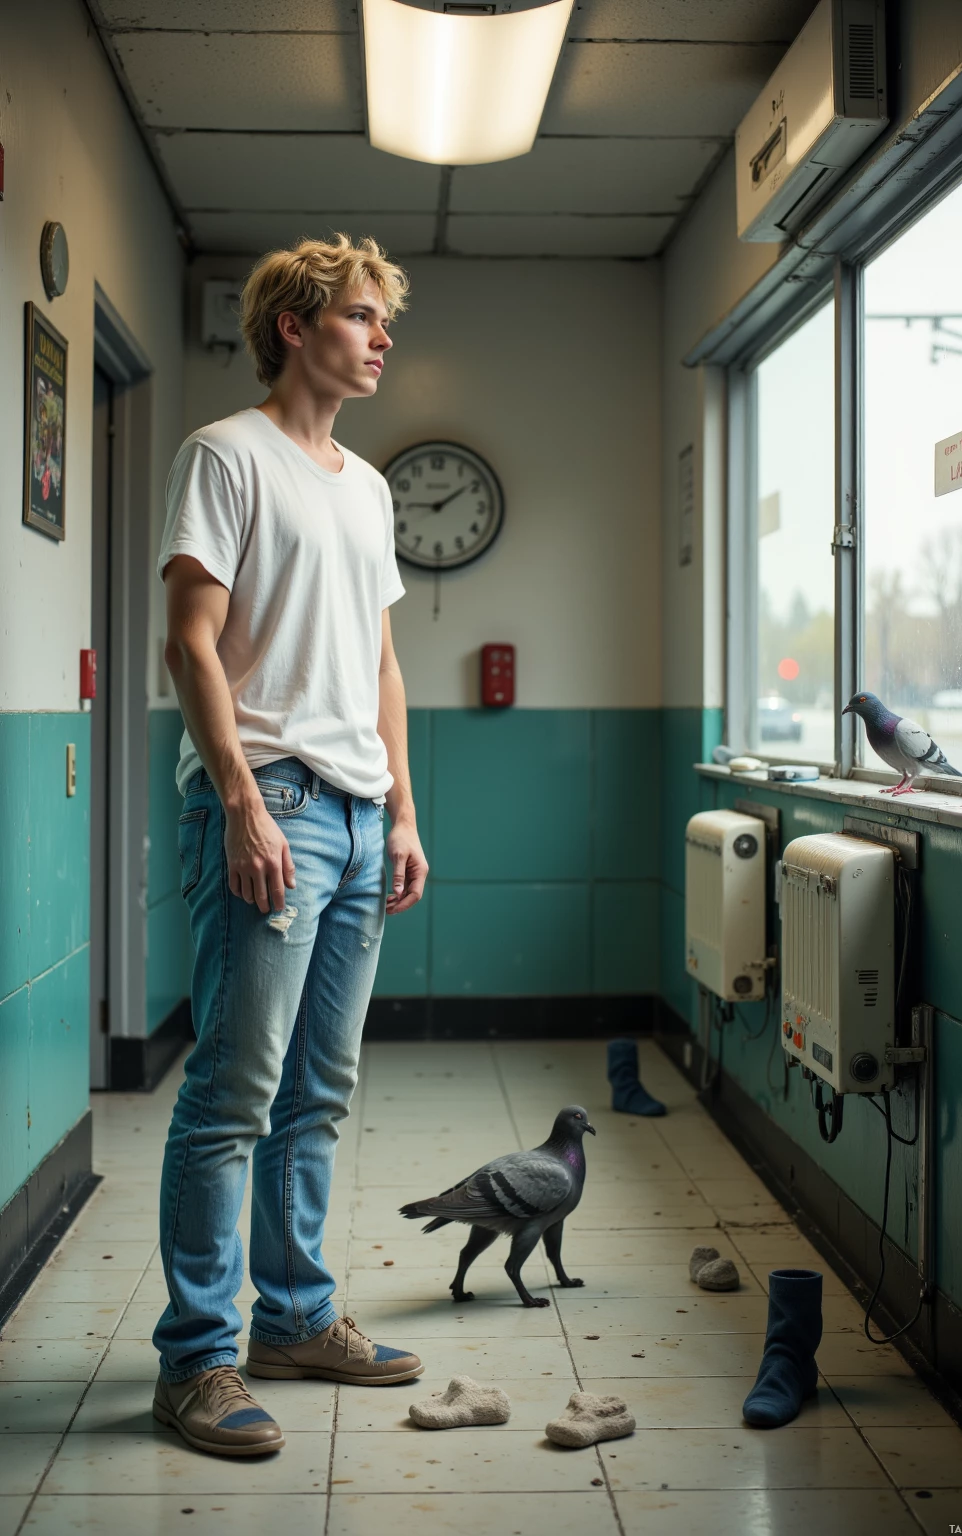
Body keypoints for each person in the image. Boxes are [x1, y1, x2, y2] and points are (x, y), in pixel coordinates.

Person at [152, 234, 429, 1458]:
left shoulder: (365, 487)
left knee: (319, 1089)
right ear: (293, 324)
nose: (381, 339)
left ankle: (297, 1318)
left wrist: (404, 812)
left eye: (385, 324)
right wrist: (244, 799)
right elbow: (190, 642)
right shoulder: (226, 455)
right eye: (363, 318)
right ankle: (199, 1362)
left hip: (360, 818)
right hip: (270, 805)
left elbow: (379, 663)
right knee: (231, 1094)